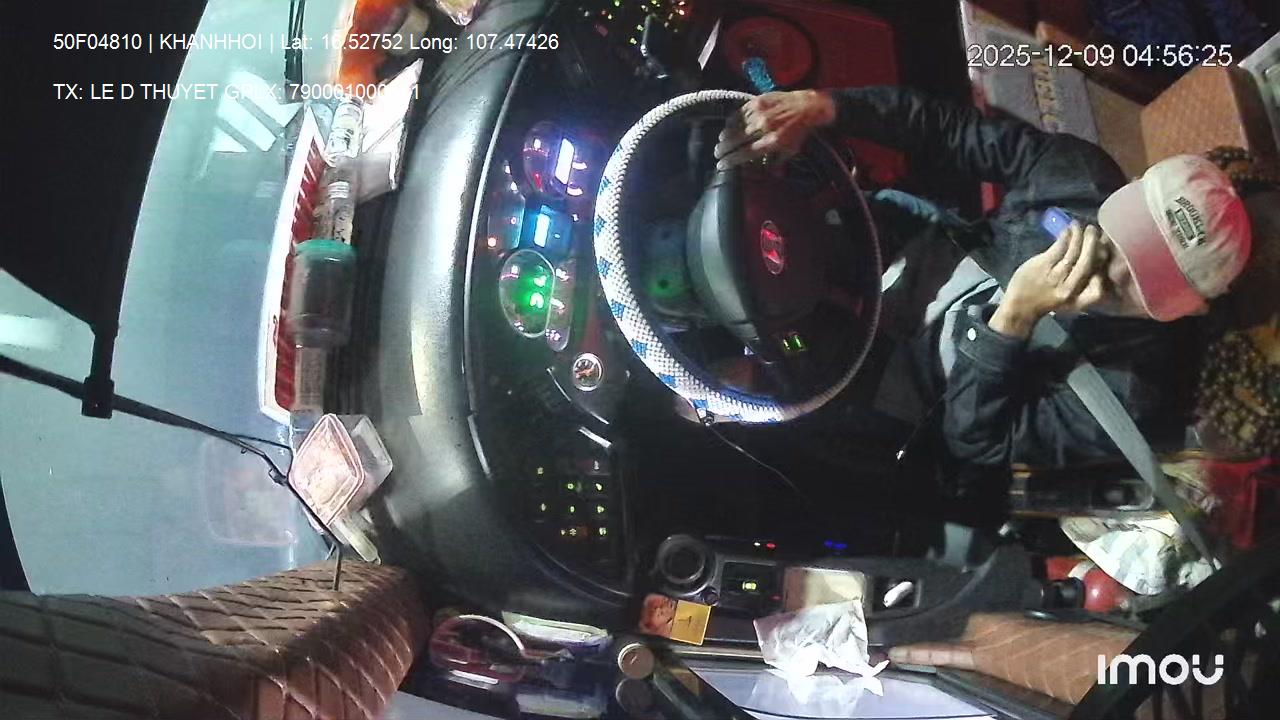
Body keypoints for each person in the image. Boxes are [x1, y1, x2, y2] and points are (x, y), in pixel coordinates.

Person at [715, 87, 1258, 468]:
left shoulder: (1135, 392)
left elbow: (977, 441)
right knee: (751, 225)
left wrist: (1013, 319)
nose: (1109, 272)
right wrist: (828, 107)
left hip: (905, 383)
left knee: (732, 394)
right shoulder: (1077, 174)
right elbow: (950, 131)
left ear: (1193, 306)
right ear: (1130, 187)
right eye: (1124, 235)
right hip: (913, 259)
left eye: (1145, 280)